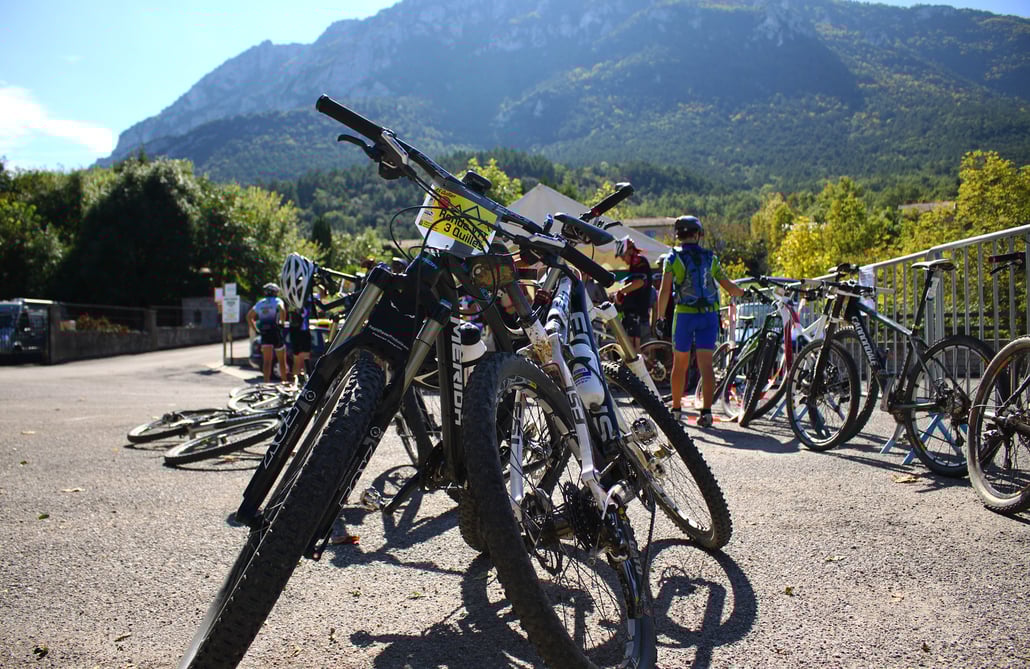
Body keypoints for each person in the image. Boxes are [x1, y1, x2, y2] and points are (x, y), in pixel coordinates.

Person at [655, 215, 744, 427]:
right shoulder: (710, 258)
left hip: (685, 315)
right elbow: (728, 286)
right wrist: (742, 292)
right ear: (698, 234)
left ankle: (676, 410)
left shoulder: (673, 258)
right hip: (709, 315)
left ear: (679, 235)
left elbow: (665, 290)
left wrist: (659, 317)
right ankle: (706, 413)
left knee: (680, 364)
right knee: (706, 366)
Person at [610, 237, 652, 352]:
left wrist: (621, 291)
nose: (623, 260)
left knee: (634, 351)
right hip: (632, 314)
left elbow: (640, 281)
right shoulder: (634, 266)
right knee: (630, 350)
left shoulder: (639, 261)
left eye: (623, 256)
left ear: (630, 251)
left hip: (637, 314)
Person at [247, 282, 289, 384]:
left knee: (266, 361)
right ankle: (284, 382)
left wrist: (256, 329)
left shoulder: (260, 303)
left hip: (265, 334)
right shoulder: (277, 300)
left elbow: (249, 316)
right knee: (281, 360)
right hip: (275, 333)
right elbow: (282, 309)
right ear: (275, 292)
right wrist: (282, 322)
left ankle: (266, 383)